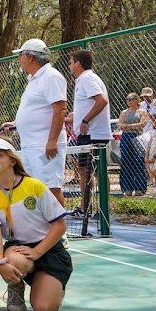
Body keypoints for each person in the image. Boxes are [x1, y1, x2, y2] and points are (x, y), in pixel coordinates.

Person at [0, 137, 71, 311]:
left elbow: (59, 226)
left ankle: (52, 286)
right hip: (18, 249)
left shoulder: (34, 186)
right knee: (12, 259)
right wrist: (0, 263)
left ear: (12, 160)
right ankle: (15, 286)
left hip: (48, 249)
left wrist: (37, 251)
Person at [12, 38, 68, 206]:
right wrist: (16, 123)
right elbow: (37, 109)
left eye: (21, 55)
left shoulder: (51, 77)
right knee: (34, 187)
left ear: (30, 57)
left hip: (44, 145)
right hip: (31, 144)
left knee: (50, 188)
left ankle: (59, 231)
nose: (19, 60)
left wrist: (51, 141)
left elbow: (60, 109)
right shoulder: (34, 79)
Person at [68, 50, 111, 221]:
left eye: (71, 62)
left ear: (78, 63)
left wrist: (85, 120)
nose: (69, 65)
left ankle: (102, 210)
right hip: (88, 134)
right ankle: (85, 208)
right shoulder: (84, 80)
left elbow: (101, 101)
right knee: (85, 171)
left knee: (94, 171)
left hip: (93, 134)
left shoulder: (87, 79)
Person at [117, 93, 150, 195]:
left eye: (131, 99)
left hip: (137, 137)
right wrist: (133, 126)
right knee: (126, 162)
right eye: (127, 99)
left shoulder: (142, 112)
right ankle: (127, 188)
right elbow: (120, 125)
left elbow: (142, 124)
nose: (129, 101)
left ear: (137, 100)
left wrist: (127, 126)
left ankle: (139, 188)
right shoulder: (124, 112)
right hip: (126, 137)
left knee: (138, 162)